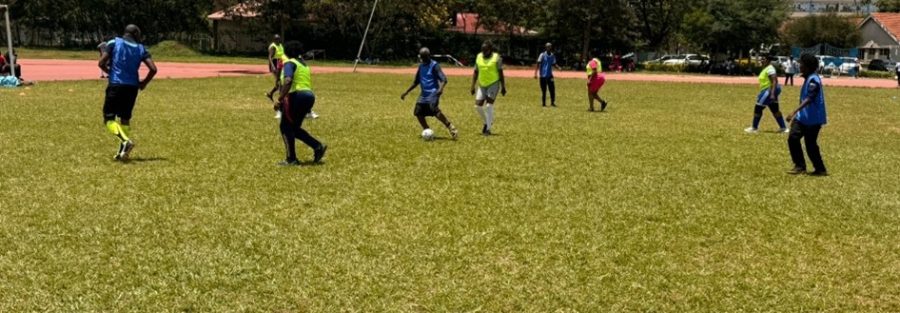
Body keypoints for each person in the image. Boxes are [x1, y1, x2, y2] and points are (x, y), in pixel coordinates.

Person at [98, 25, 158, 161]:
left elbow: (101, 63)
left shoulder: (114, 42)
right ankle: (122, 153)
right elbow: (153, 69)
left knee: (109, 119)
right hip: (132, 88)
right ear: (135, 33)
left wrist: (110, 72)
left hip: (116, 85)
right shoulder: (141, 48)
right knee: (125, 118)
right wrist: (143, 83)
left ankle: (126, 141)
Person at [275, 41, 327, 166]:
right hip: (309, 96)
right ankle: (318, 146)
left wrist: (280, 99)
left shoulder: (290, 63)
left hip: (296, 96)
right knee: (294, 129)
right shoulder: (304, 65)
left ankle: (291, 159)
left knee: (285, 126)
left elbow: (288, 80)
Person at [401, 47, 459, 139]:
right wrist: (406, 92)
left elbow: (444, 79)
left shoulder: (434, 65)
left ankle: (450, 127)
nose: (423, 60)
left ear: (429, 56)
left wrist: (440, 89)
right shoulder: (421, 66)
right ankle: (427, 130)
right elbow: (416, 82)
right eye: (422, 58)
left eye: (424, 58)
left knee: (434, 110)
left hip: (433, 93)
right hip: (424, 94)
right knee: (418, 112)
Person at [786, 54, 828, 176]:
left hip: (813, 119)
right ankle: (799, 166)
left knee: (810, 145)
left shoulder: (814, 80)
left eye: (802, 64)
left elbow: (810, 98)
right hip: (802, 118)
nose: (799, 66)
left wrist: (794, 111)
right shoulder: (808, 77)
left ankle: (820, 169)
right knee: (793, 138)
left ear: (808, 66)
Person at [470, 41, 506, 136]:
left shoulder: (496, 58)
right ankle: (487, 121)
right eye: (482, 50)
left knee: (489, 105)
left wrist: (503, 86)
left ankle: (488, 129)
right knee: (477, 106)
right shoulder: (479, 57)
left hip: (493, 83)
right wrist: (473, 85)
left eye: (485, 50)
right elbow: (475, 71)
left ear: (490, 50)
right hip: (482, 84)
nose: (483, 52)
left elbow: (501, 73)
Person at [745, 54, 788, 134]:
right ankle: (783, 128)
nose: (762, 60)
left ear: (768, 60)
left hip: (769, 90)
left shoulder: (770, 69)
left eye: (763, 59)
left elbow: (774, 81)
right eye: (761, 59)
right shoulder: (766, 69)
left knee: (758, 108)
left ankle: (754, 128)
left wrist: (772, 94)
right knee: (775, 109)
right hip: (768, 90)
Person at [533, 42, 561, 107]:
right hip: (543, 76)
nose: (549, 48)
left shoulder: (552, 55)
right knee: (544, 90)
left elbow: (554, 64)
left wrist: (558, 67)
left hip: (550, 75)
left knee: (552, 89)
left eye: (550, 46)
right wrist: (535, 73)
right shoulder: (542, 55)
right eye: (548, 46)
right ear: (546, 47)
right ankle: (544, 103)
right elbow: (538, 64)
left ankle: (552, 102)